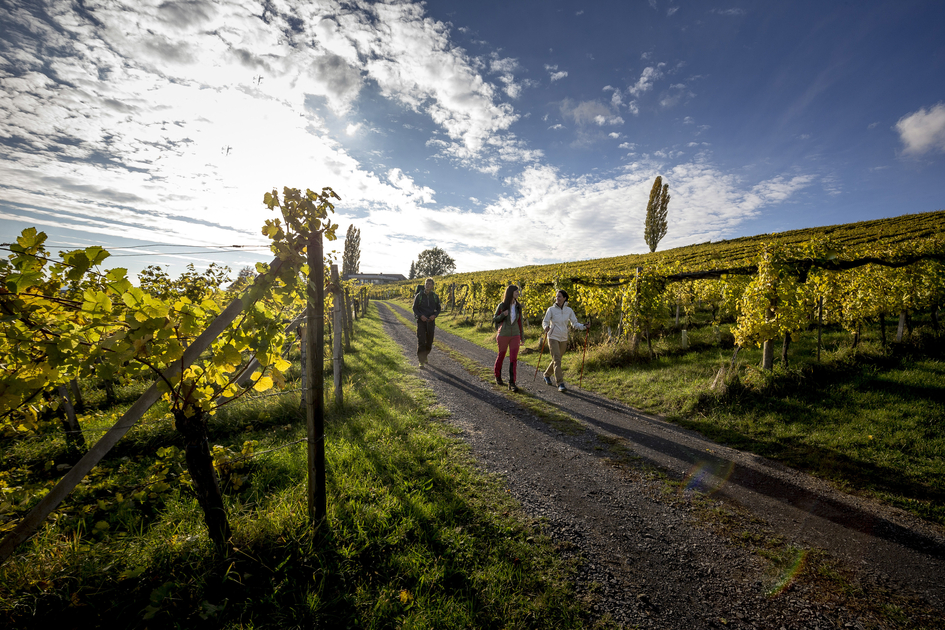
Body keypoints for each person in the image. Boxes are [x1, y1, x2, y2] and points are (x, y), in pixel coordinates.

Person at [541, 289, 588, 392]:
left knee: (557, 359)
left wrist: (584, 326)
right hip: (553, 336)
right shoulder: (551, 309)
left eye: (559, 297)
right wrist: (546, 327)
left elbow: (574, 324)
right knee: (557, 359)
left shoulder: (569, 310)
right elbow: (545, 321)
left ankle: (546, 374)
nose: (557, 298)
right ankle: (560, 383)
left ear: (564, 298)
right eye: (556, 296)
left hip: (564, 338)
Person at [492, 284, 524, 392]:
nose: (518, 293)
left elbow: (520, 323)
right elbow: (495, 319)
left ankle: (512, 383)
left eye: (518, 292)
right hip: (503, 335)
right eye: (516, 292)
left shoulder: (518, 306)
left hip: (515, 335)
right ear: (511, 293)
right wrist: (503, 315)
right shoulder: (502, 305)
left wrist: (522, 337)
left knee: (513, 359)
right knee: (501, 355)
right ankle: (497, 376)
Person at [412, 278, 441, 367]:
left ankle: (425, 356)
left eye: (429, 284)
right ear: (424, 285)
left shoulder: (435, 297)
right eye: (426, 283)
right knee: (421, 341)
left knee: (429, 342)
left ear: (432, 286)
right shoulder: (419, 296)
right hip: (421, 322)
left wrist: (434, 315)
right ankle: (421, 361)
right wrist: (421, 316)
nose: (427, 285)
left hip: (430, 322)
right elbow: (414, 308)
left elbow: (438, 308)